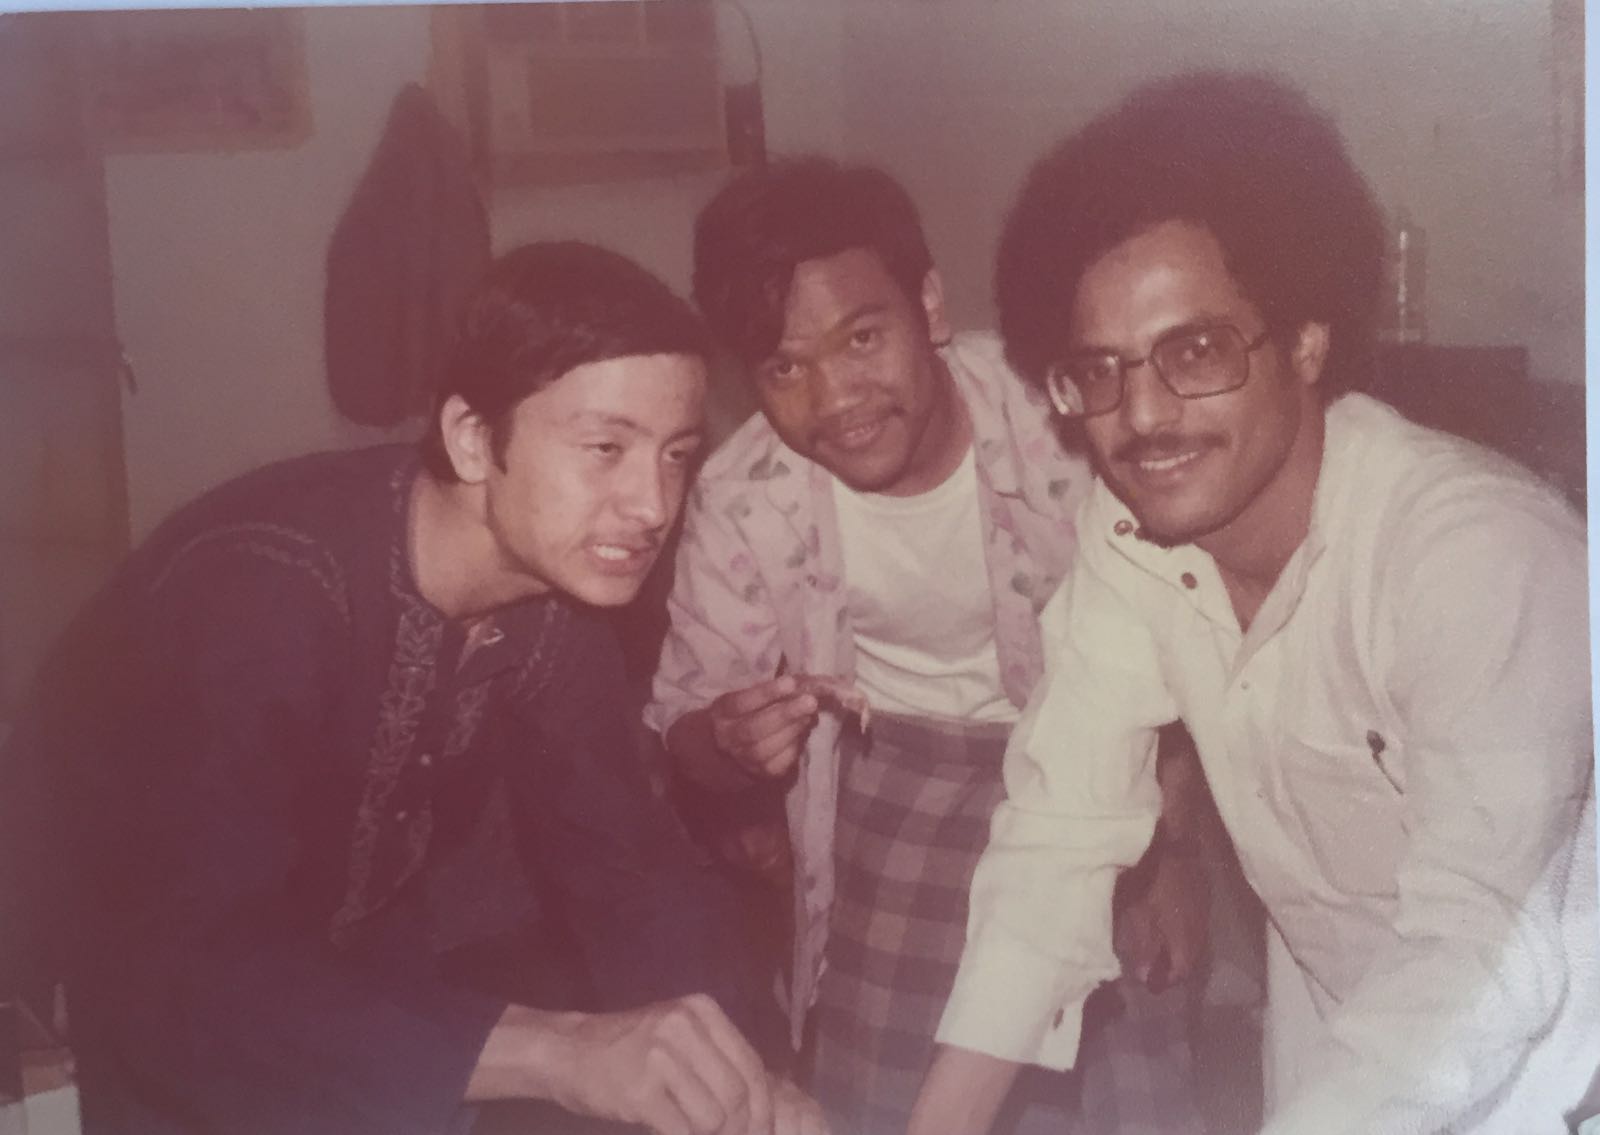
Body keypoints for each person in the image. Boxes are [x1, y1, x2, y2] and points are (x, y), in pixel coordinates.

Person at [0, 241, 827, 1135]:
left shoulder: (553, 598)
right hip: (127, 1002)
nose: (653, 505)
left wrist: (757, 1082)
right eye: (605, 448)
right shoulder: (264, 597)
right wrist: (560, 1050)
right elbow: (185, 976)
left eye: (675, 455)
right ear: (473, 439)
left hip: (350, 981)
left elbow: (632, 874)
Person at [909, 71, 1599, 1135]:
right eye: (1099, 370)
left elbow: (1481, 956)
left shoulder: (1474, 555)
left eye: (1194, 352)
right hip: (1343, 1056)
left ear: (1307, 341)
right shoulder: (1131, 536)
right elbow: (1056, 836)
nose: (1142, 416)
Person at [646, 158, 1208, 1135]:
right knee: (891, 1096)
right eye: (784, 368)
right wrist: (726, 744)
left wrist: (1172, 852)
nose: (837, 398)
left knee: (1119, 1091)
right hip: (889, 783)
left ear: (932, 307)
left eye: (862, 338)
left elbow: (1181, 624)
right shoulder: (743, 500)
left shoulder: (1060, 419)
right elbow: (680, 735)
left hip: (1102, 769)